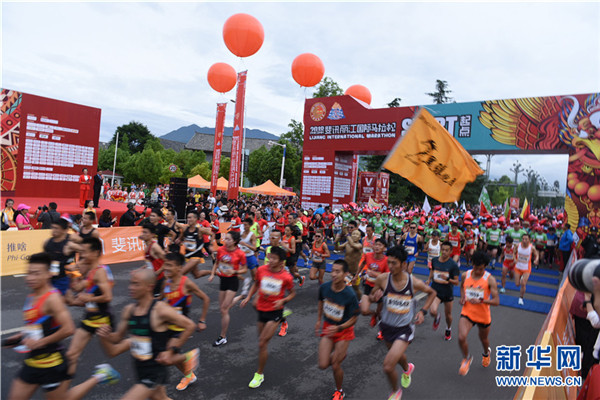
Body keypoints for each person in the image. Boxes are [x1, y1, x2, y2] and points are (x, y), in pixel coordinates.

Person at [3, 253, 120, 400]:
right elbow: (37, 327)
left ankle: (100, 376)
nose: (30, 278)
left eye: (36, 274)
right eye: (29, 273)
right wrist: (20, 337)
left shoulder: (53, 298)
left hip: (52, 364)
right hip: (32, 361)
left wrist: (39, 343)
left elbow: (68, 329)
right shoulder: (31, 297)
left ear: (47, 274)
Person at [97, 268, 197, 400]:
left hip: (155, 372)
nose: (131, 287)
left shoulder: (160, 310)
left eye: (136, 284)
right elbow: (114, 347)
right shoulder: (129, 311)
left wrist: (171, 350)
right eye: (131, 283)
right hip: (140, 371)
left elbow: (190, 325)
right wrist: (104, 336)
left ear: (149, 287)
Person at [369, 246, 437, 400]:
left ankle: (395, 391)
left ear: (404, 264)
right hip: (386, 326)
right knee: (397, 356)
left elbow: (432, 292)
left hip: (404, 329)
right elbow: (372, 296)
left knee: (388, 365)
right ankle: (408, 369)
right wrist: (374, 297)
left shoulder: (413, 282)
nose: (391, 267)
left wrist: (423, 311)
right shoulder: (382, 279)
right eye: (389, 263)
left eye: (394, 263)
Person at [241, 246, 296, 389]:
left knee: (262, 344)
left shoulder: (286, 277)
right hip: (262, 309)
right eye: (269, 257)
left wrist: (283, 301)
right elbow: (256, 284)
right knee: (262, 343)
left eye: (274, 258)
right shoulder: (261, 270)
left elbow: (292, 293)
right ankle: (262, 360)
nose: (270, 260)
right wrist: (248, 297)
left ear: (281, 261)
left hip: (275, 311)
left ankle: (259, 374)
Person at [64, 237, 115, 378]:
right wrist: (72, 275)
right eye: (81, 252)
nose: (82, 255)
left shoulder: (101, 271)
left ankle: (134, 340)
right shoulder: (87, 269)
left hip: (104, 320)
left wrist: (88, 297)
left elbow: (108, 297)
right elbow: (77, 289)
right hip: (89, 318)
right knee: (71, 354)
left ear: (96, 252)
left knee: (113, 351)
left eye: (85, 252)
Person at [161, 252, 209, 391]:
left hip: (182, 327)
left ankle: (189, 356)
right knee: (171, 356)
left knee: (167, 356)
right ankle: (189, 375)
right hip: (167, 325)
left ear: (178, 267)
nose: (166, 268)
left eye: (169, 265)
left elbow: (205, 299)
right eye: (165, 264)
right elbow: (163, 301)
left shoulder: (186, 283)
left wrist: (202, 320)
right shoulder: (166, 282)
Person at [316, 259, 359, 400]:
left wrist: (339, 327)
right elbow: (321, 302)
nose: (333, 274)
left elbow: (354, 318)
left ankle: (339, 391)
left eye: (337, 271)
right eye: (332, 270)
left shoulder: (350, 294)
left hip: (343, 331)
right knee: (322, 365)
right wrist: (318, 320)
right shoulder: (325, 288)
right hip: (328, 328)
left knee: (335, 364)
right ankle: (339, 355)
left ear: (345, 274)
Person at [458, 251, 500, 376]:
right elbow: (461, 287)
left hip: (483, 315)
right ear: (472, 264)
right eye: (476, 268)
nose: (477, 271)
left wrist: (481, 300)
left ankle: (486, 353)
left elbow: (496, 301)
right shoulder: (466, 275)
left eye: (481, 269)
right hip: (468, 311)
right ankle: (466, 358)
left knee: (484, 339)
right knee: (461, 337)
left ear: (485, 267)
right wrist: (462, 297)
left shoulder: (490, 279)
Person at [209, 231, 248, 347]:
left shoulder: (240, 253)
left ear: (235, 241)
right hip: (223, 281)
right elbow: (216, 263)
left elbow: (244, 270)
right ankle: (241, 296)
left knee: (224, 310)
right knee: (223, 308)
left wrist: (235, 271)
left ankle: (223, 337)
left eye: (228, 239)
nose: (225, 241)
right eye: (225, 239)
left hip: (232, 282)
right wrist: (212, 274)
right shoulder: (221, 250)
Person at [426, 241, 460, 341]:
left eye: (446, 250)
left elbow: (456, 282)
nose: (444, 252)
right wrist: (429, 279)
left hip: (447, 292)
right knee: (432, 311)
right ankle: (437, 317)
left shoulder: (453, 265)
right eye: (443, 250)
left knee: (448, 315)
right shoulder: (435, 260)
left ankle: (448, 329)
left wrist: (448, 279)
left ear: (450, 252)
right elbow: (432, 270)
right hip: (435, 291)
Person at [43, 218, 77, 295]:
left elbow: (87, 251)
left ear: (64, 230)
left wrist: (77, 265)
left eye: (56, 228)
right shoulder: (46, 242)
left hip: (62, 279)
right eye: (52, 228)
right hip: (48, 279)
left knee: (58, 302)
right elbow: (44, 260)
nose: (53, 230)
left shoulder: (69, 244)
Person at [140, 224, 167, 298]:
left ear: (152, 235)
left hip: (158, 280)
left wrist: (156, 273)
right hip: (151, 280)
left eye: (146, 232)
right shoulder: (147, 246)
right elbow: (151, 263)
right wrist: (141, 269)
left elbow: (167, 262)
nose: (143, 234)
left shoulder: (155, 247)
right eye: (143, 232)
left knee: (155, 304)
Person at [514, 233, 539, 305]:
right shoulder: (518, 245)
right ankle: (520, 278)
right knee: (517, 284)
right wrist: (514, 259)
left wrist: (536, 260)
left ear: (529, 240)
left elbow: (536, 254)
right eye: (523, 239)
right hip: (518, 267)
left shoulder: (531, 247)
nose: (524, 240)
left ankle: (521, 298)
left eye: (526, 239)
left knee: (523, 283)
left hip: (526, 268)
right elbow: (514, 252)